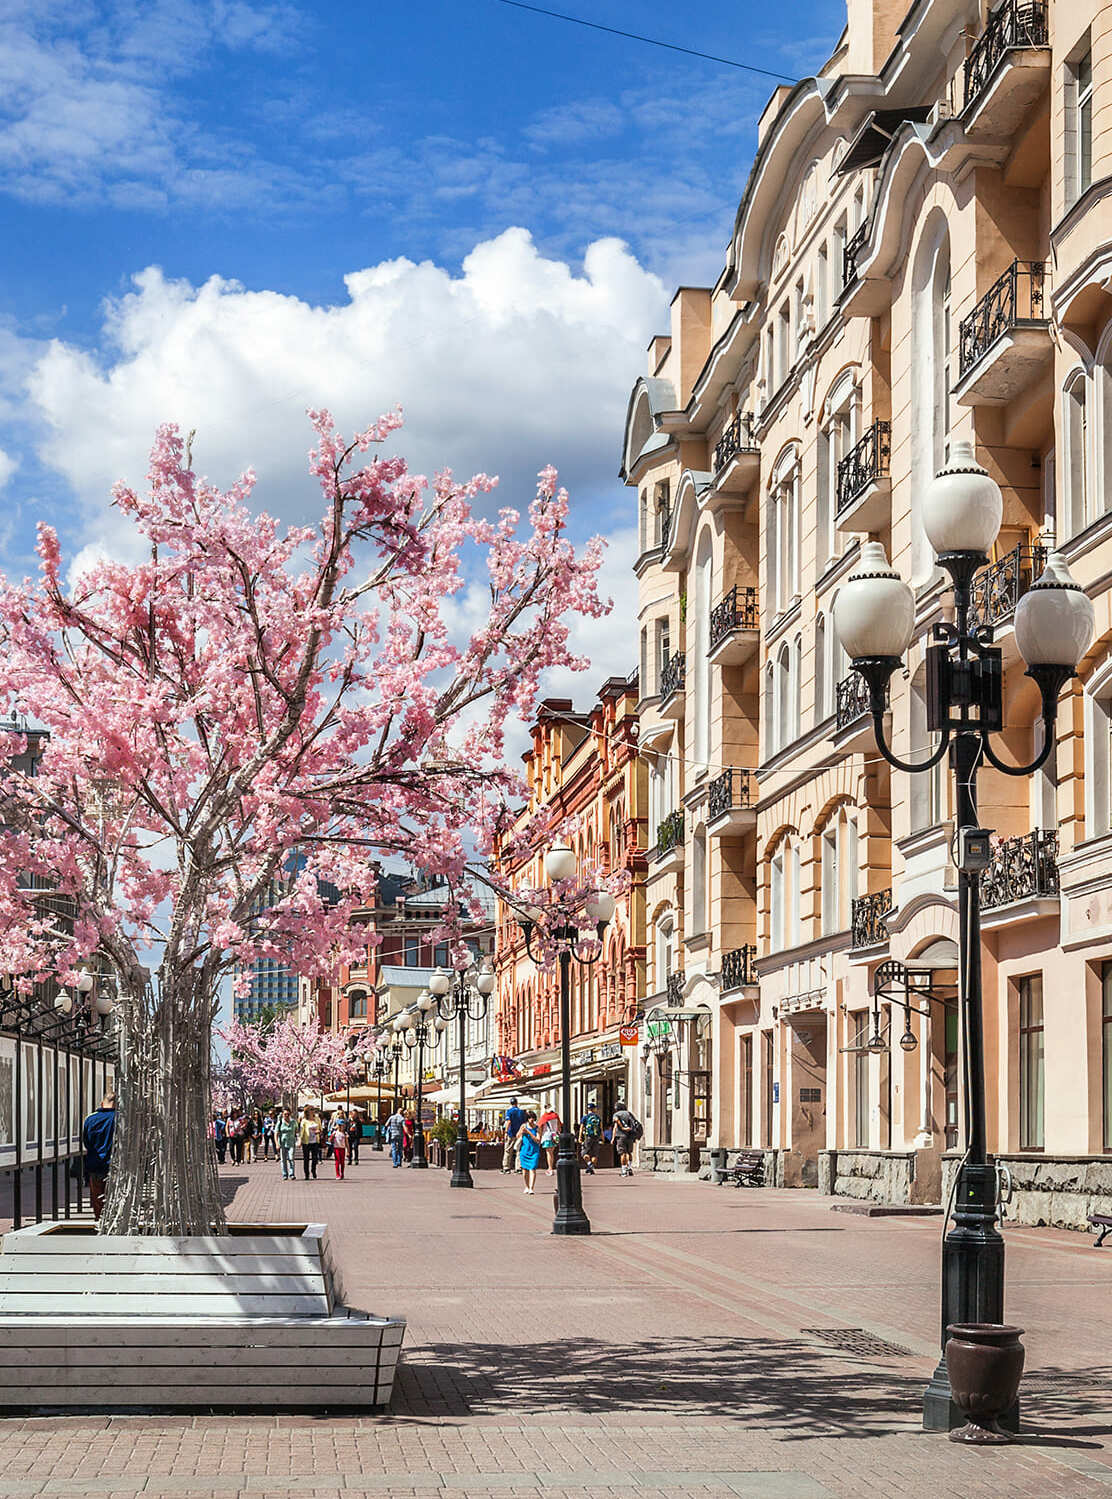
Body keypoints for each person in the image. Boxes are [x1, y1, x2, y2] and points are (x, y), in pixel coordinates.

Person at [82, 1091, 116, 1220]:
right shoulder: (119, 1118)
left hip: (95, 1165)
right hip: (114, 1166)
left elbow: (86, 1141)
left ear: (102, 1103)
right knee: (114, 1198)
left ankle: (100, 1223)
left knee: (98, 1201)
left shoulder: (90, 1119)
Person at [515, 1111, 541, 1195]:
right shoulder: (523, 1126)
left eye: (533, 1118)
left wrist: (528, 1132)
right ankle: (526, 1186)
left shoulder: (537, 1128)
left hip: (534, 1151)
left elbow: (538, 1140)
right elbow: (517, 1136)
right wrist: (521, 1132)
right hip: (524, 1150)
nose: (531, 1120)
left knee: (532, 1169)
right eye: (529, 1118)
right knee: (525, 1170)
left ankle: (531, 1188)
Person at [611, 1105, 641, 1177]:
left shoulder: (617, 1114)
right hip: (630, 1136)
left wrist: (613, 1137)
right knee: (629, 1152)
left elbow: (616, 1123)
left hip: (621, 1136)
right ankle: (629, 1168)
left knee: (623, 1153)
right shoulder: (629, 1113)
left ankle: (624, 1171)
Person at [501, 1096, 525, 1174]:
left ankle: (506, 1168)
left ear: (510, 1103)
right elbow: (524, 1123)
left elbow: (508, 1122)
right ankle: (518, 1168)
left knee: (508, 1150)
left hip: (511, 1133)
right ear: (517, 1103)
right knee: (519, 1151)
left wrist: (505, 1132)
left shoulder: (509, 1111)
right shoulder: (521, 1111)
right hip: (519, 1133)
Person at [578, 1102, 602, 1175]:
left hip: (588, 1137)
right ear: (594, 1109)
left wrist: (580, 1137)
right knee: (595, 1154)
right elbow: (601, 1128)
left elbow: (581, 1128)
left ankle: (589, 1165)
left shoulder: (585, 1117)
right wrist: (602, 1138)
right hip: (596, 1137)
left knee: (584, 1153)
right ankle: (591, 1167)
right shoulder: (598, 1117)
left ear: (588, 1109)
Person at [537, 1106, 560, 1176]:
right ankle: (551, 1167)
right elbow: (559, 1126)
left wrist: (539, 1137)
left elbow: (540, 1127)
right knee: (552, 1153)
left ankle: (550, 1168)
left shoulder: (545, 1117)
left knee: (549, 1153)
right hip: (555, 1136)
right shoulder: (556, 1116)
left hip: (547, 1136)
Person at [299, 1107, 321, 1179]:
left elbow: (321, 1129)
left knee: (315, 1158)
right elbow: (301, 1131)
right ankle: (306, 1174)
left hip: (315, 1141)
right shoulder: (304, 1121)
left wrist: (319, 1132)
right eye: (311, 1110)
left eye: (313, 1110)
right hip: (306, 1142)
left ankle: (313, 1170)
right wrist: (300, 1140)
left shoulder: (317, 1119)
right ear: (307, 1112)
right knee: (306, 1158)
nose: (312, 1112)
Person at [276, 1107, 297, 1180]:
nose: (286, 1115)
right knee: (283, 1160)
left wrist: (299, 1140)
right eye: (285, 1114)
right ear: (282, 1114)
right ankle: (285, 1174)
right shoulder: (280, 1122)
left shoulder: (293, 1122)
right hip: (282, 1143)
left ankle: (292, 1174)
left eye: (288, 1114)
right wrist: (277, 1144)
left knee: (291, 1158)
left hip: (291, 1143)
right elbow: (276, 1133)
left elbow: (297, 1131)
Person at [330, 1114, 348, 1179]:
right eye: (340, 1125)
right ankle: (337, 1174)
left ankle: (342, 1173)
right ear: (337, 1126)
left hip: (342, 1148)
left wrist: (348, 1151)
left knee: (342, 1162)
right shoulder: (335, 1132)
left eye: (342, 1126)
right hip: (336, 1148)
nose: (341, 1127)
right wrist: (331, 1138)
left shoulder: (345, 1134)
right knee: (337, 1161)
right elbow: (330, 1140)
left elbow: (346, 1142)